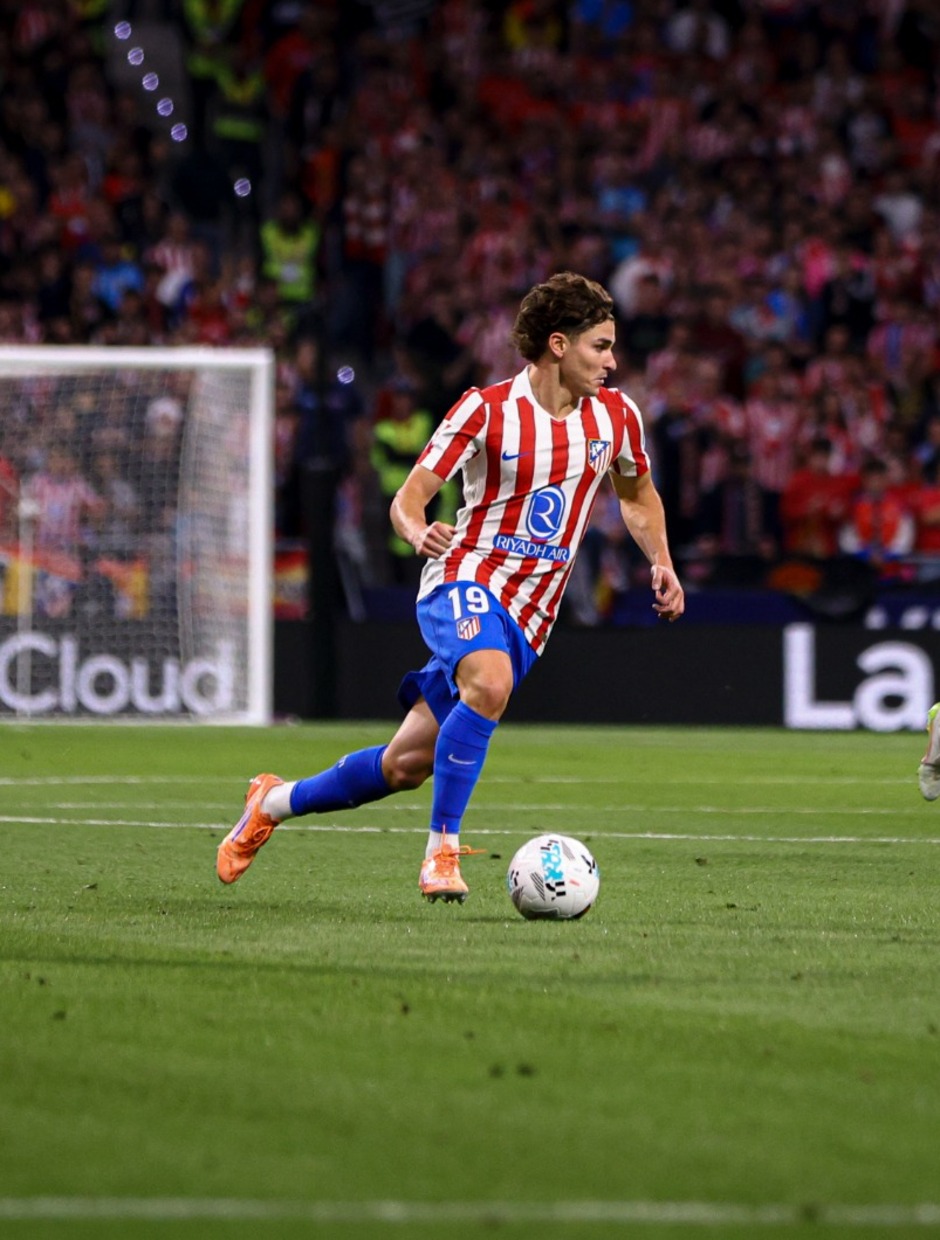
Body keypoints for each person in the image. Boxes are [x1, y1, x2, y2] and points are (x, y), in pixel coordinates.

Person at [216, 272, 685, 902]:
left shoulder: (617, 417)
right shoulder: (485, 410)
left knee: (404, 766)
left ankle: (270, 803)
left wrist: (661, 559)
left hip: (530, 615)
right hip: (463, 579)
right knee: (488, 683)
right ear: (556, 345)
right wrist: (417, 531)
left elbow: (638, 496)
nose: (612, 360)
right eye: (599, 346)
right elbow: (408, 499)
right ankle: (442, 852)